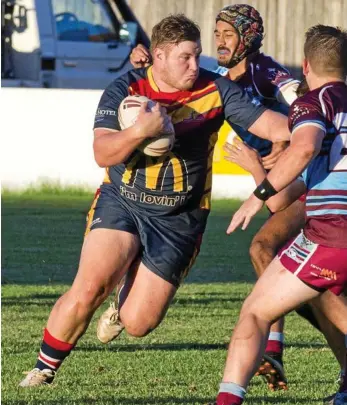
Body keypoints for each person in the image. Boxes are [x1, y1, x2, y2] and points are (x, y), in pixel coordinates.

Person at [19, 14, 290, 387]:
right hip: (123, 201)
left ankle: (123, 301)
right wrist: (140, 131)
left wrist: (315, 119)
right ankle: (42, 370)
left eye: (197, 55)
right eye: (186, 58)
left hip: (180, 218)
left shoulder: (217, 90)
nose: (196, 65)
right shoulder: (126, 89)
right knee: (89, 286)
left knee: (138, 323)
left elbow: (273, 126)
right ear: (159, 56)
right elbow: (102, 152)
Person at [98, 4, 344, 392]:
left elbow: (299, 98)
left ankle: (279, 349)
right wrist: (143, 57)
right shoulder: (215, 74)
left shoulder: (266, 71)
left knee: (278, 255)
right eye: (217, 34)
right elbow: (168, 63)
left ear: (248, 38)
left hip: (304, 172)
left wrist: (281, 147)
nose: (219, 42)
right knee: (268, 251)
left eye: (228, 35)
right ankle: (276, 347)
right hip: (289, 174)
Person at [213, 24, 347, 405]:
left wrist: (258, 193)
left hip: (333, 234)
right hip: (329, 234)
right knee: (322, 294)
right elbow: (296, 187)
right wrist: (265, 176)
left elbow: (304, 149)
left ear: (306, 65)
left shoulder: (313, 103)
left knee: (255, 312)